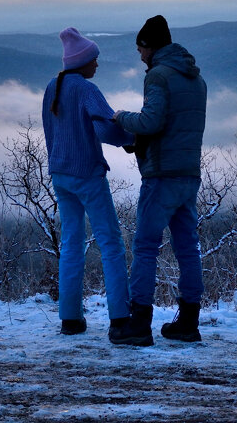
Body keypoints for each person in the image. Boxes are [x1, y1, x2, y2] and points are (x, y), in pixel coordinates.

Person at [113, 14, 207, 345]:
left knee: (145, 246)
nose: (139, 56)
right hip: (188, 174)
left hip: (161, 175)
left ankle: (139, 323)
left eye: (140, 49)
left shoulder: (159, 77)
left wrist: (121, 117)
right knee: (186, 247)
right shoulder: (196, 79)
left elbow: (152, 121)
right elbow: (176, 125)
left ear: (150, 47)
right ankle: (189, 321)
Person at [42, 27, 139, 344]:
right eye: (93, 60)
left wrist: (58, 163)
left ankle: (70, 318)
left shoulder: (51, 88)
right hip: (87, 174)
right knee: (111, 243)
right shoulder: (85, 90)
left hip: (61, 175)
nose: (97, 65)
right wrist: (132, 139)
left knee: (71, 243)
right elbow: (105, 131)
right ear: (81, 62)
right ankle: (120, 321)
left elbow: (50, 133)